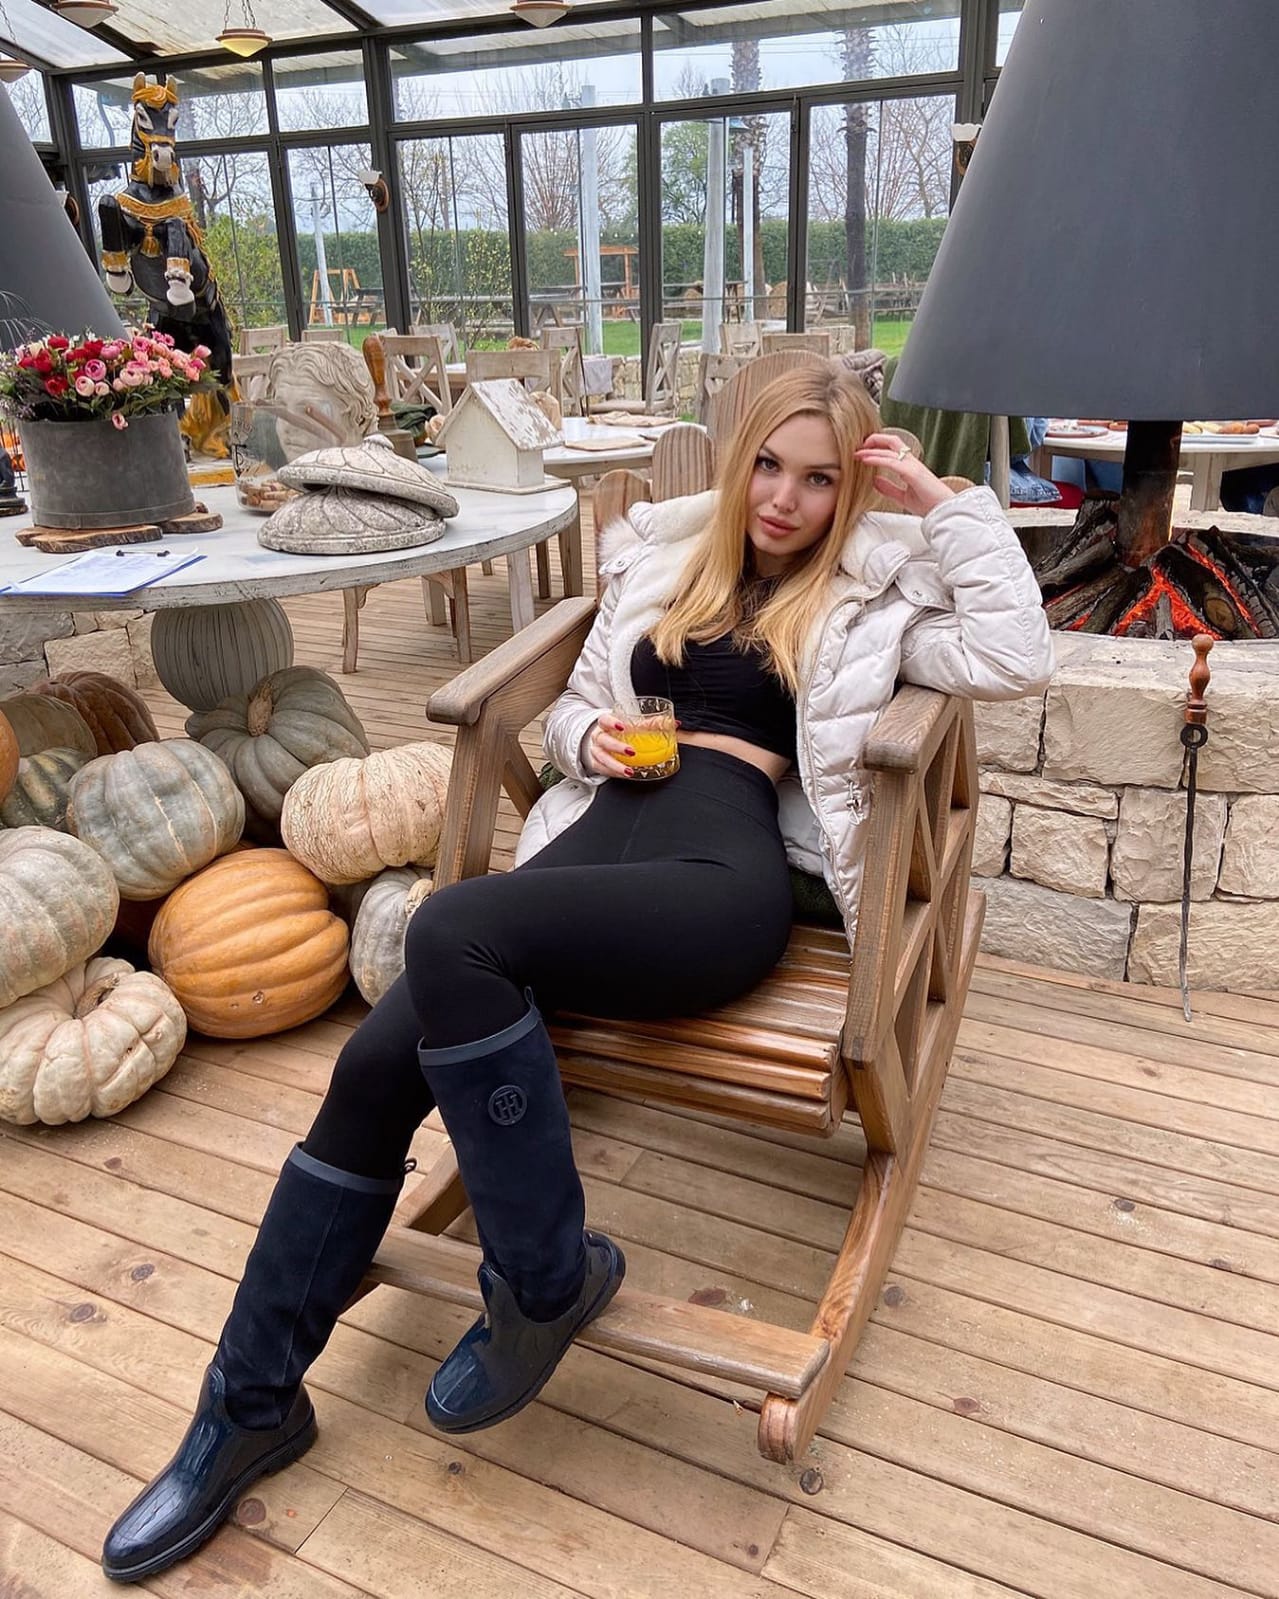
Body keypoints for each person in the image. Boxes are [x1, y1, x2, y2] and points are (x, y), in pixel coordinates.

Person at [101, 361, 1054, 1583]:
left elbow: (1015, 654)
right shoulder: (666, 566)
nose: (785, 499)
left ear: (850, 494)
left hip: (718, 879)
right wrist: (583, 737)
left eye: (820, 480)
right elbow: (569, 714)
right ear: (739, 463)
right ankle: (249, 1405)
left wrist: (941, 502)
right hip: (599, 842)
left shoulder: (876, 592)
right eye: (769, 466)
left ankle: (545, 1280)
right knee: (373, 1062)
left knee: (448, 933)